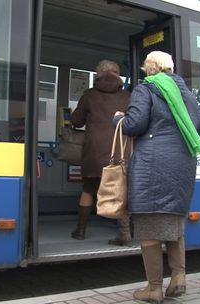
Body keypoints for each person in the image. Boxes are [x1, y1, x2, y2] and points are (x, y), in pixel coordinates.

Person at [113, 51, 200, 303]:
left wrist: (119, 119)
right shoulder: (185, 92)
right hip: (183, 163)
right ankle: (179, 277)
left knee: (150, 223)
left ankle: (154, 288)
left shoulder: (147, 89)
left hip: (154, 165)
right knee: (174, 223)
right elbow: (199, 125)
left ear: (150, 68)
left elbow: (135, 124)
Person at [70, 59, 132, 246]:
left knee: (88, 189)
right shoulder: (127, 97)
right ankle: (124, 232)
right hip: (119, 150)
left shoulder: (89, 95)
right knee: (121, 190)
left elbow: (77, 121)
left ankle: (81, 230)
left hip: (94, 152)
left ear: (98, 74)